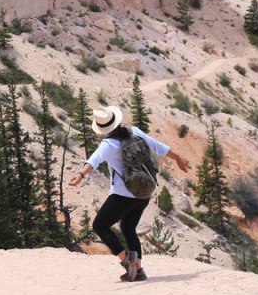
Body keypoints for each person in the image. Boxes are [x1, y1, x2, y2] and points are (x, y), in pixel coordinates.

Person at [68, 104, 189, 281]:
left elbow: (93, 160)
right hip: (144, 192)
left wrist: (79, 176)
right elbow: (159, 147)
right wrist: (178, 158)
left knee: (100, 226)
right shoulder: (135, 132)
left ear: (102, 128)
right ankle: (138, 271)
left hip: (122, 195)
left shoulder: (108, 144)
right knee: (128, 227)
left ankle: (127, 261)